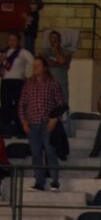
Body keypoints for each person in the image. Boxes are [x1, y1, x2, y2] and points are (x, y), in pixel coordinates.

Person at [19, 56, 64, 193]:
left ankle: (54, 182)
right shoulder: (28, 84)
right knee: (36, 154)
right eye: (34, 66)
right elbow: (22, 104)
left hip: (47, 124)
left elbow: (60, 104)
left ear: (45, 68)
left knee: (50, 152)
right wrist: (23, 121)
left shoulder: (53, 84)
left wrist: (54, 120)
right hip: (32, 124)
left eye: (38, 65)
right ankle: (39, 182)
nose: (35, 68)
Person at [0, 33, 34, 132]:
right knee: (6, 105)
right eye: (10, 39)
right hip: (6, 82)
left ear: (18, 41)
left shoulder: (23, 52)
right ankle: (6, 128)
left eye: (14, 40)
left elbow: (33, 62)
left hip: (18, 82)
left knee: (19, 105)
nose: (11, 42)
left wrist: (28, 75)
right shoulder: (3, 52)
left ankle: (19, 128)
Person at [39, 31, 71, 111]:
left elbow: (63, 61)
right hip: (48, 84)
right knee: (48, 107)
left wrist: (56, 50)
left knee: (63, 106)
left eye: (56, 37)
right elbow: (46, 63)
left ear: (60, 39)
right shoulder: (44, 52)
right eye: (52, 37)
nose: (54, 39)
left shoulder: (66, 52)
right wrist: (59, 63)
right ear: (49, 39)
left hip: (62, 84)